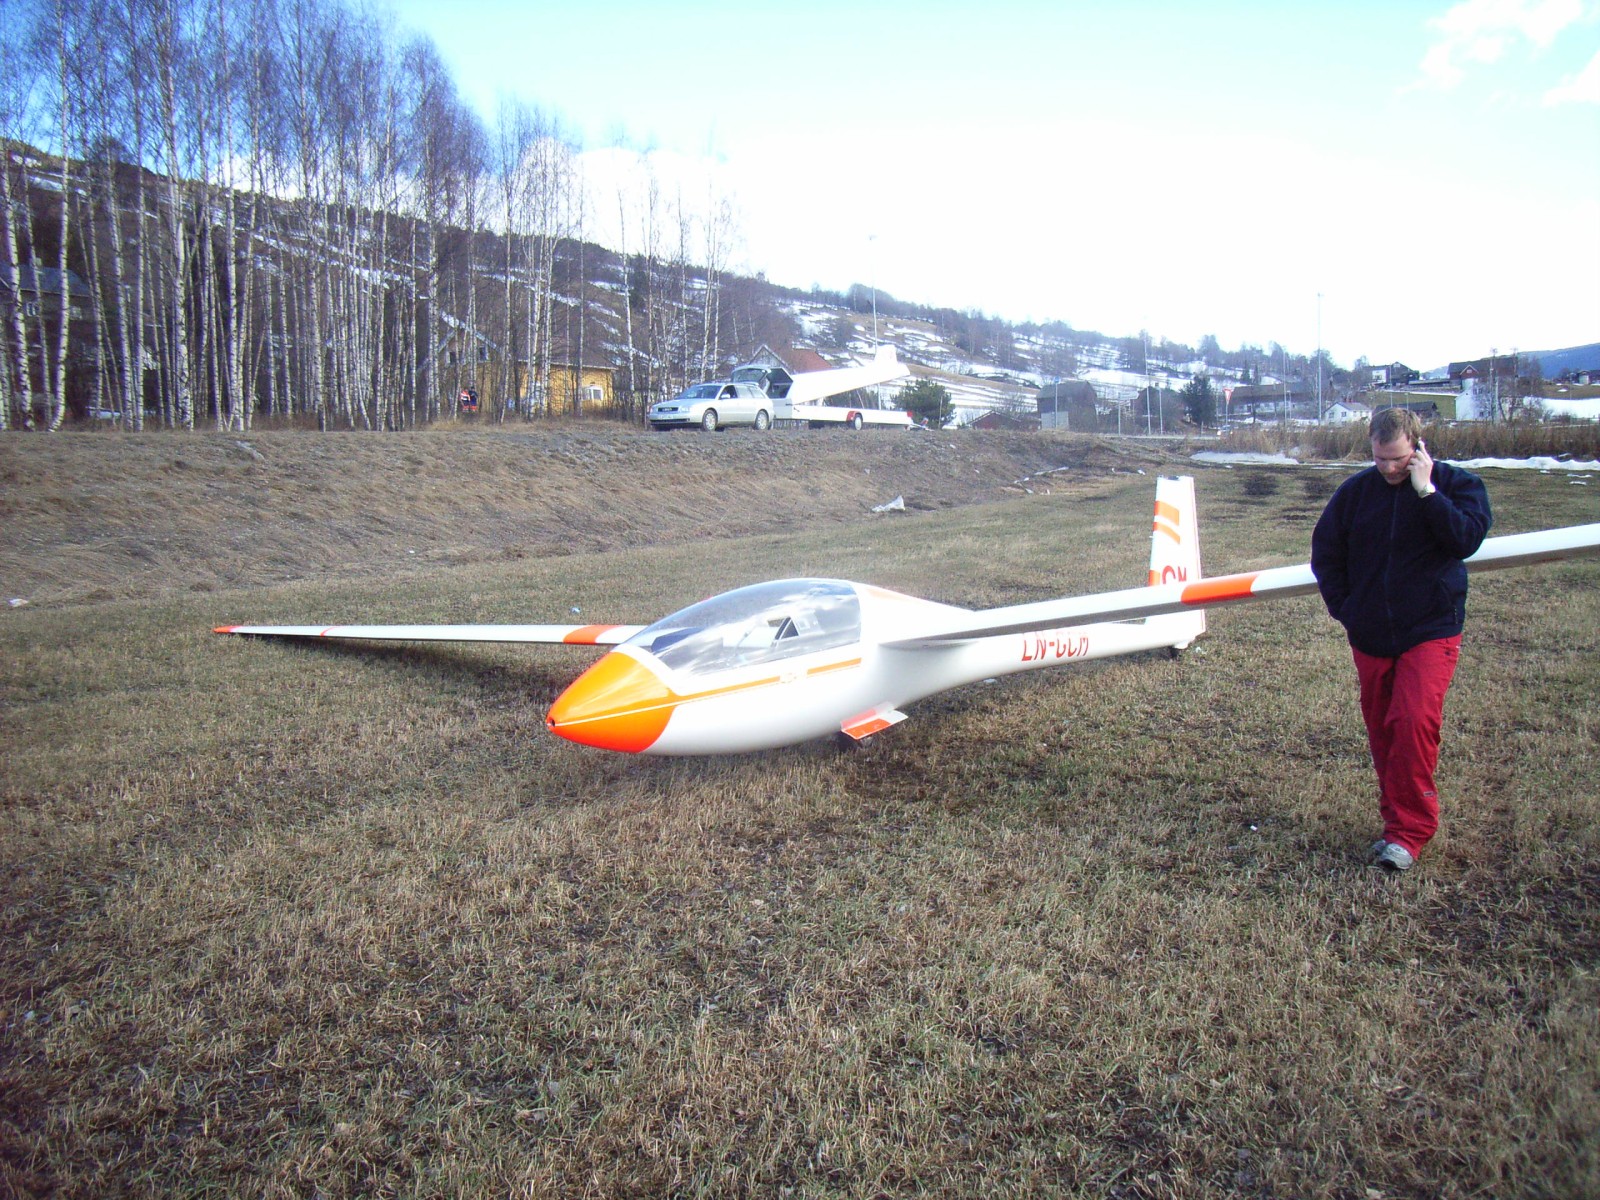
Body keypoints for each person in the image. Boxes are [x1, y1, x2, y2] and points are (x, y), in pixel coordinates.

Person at [1311, 408, 1492, 872]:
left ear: (1418, 446)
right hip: (1370, 632)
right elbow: (1326, 554)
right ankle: (1396, 824)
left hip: (1431, 628)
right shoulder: (1355, 494)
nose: (1389, 468)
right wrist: (1348, 609)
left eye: (1398, 458)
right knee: (1384, 731)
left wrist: (1427, 492)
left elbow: (1466, 539)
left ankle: (1410, 835)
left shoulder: (1456, 485)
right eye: (1380, 459)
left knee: (1412, 722)